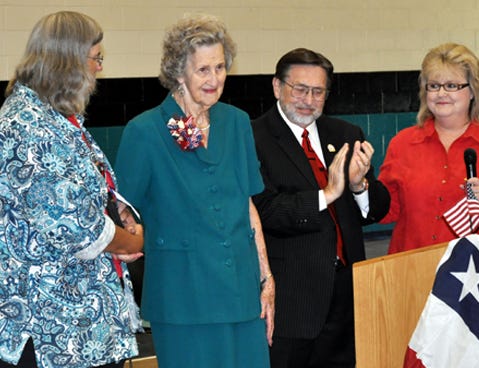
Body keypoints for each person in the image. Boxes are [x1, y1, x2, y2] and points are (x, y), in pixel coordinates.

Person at [114, 14, 274, 368]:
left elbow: (247, 204)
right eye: (203, 69)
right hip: (184, 295)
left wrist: (266, 277)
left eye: (220, 67)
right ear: (178, 72)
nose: (214, 79)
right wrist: (128, 241)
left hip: (241, 291)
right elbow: (123, 213)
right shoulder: (144, 131)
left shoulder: (236, 122)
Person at [0, 11, 145, 368]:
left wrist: (122, 213)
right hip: (50, 331)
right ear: (69, 60)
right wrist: (135, 243)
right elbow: (76, 228)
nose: (98, 69)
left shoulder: (57, 117)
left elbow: (94, 183)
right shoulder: (26, 125)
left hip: (80, 326)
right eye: (96, 58)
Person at [251, 48, 390, 368]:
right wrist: (327, 194)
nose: (308, 99)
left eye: (318, 91)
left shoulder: (345, 134)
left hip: (346, 293)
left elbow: (376, 211)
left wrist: (359, 186)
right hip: (291, 298)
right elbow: (265, 212)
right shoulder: (253, 137)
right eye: (299, 89)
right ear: (276, 86)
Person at [379, 43, 479, 254]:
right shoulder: (403, 143)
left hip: (475, 275)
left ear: (473, 91)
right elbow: (387, 212)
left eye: (451, 85)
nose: (441, 93)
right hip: (411, 269)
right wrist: (360, 187)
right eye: (433, 86)